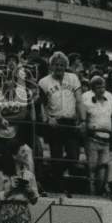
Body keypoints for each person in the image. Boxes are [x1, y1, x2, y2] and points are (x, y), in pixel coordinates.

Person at [37, 52, 82, 195]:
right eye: (56, 64)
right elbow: (41, 105)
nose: (59, 67)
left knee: (74, 157)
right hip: (55, 123)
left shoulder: (73, 78)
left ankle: (48, 175)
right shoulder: (43, 82)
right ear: (51, 66)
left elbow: (79, 100)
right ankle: (59, 187)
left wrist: (83, 120)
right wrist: (47, 119)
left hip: (70, 122)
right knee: (56, 157)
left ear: (66, 66)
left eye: (62, 65)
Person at [77, 75, 112, 196]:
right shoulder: (87, 103)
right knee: (92, 168)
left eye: (103, 86)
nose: (101, 89)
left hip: (106, 140)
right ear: (93, 88)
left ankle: (100, 192)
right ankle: (91, 193)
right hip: (92, 140)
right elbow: (84, 120)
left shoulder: (109, 101)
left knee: (103, 168)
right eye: (98, 87)